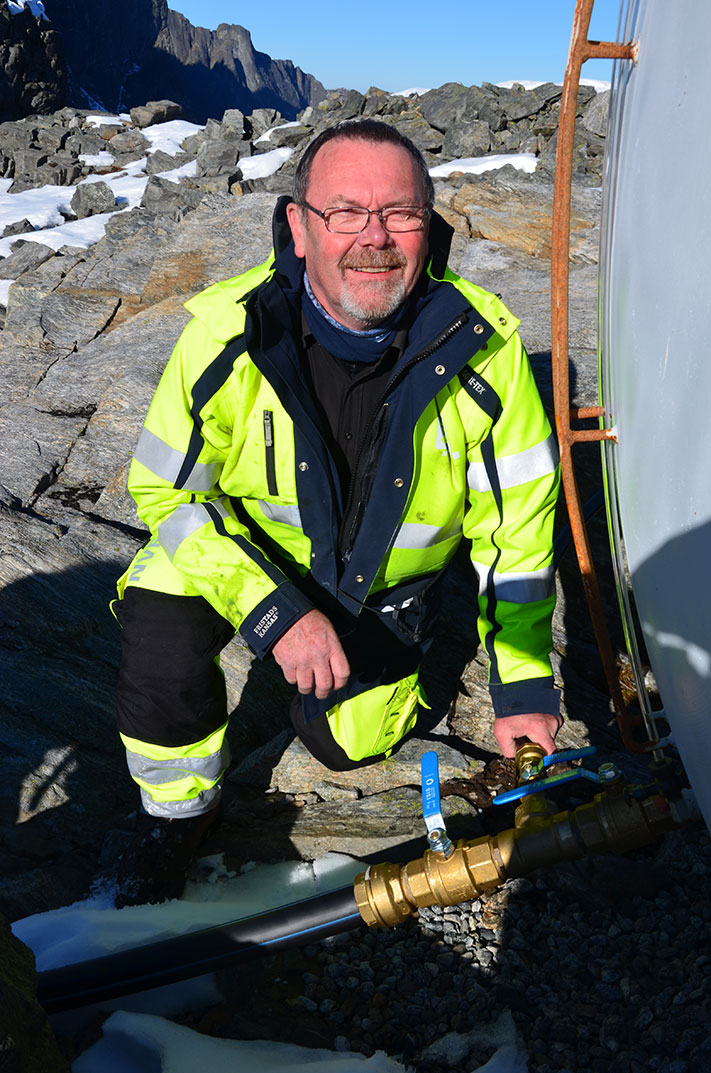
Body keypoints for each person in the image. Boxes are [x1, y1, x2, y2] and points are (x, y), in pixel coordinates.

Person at [112, 119, 561, 906]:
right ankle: (176, 817)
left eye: (400, 213)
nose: (374, 237)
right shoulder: (229, 333)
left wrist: (521, 686)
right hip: (252, 560)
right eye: (345, 212)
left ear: (428, 225)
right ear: (298, 226)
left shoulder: (483, 353)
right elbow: (167, 492)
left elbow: (515, 539)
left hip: (377, 593)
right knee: (160, 622)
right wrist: (274, 613)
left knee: (345, 743)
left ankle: (399, 660)